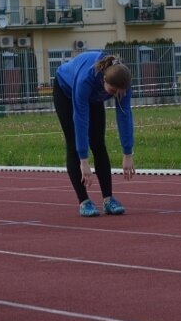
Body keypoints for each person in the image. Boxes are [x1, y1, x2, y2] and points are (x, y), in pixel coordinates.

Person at [53, 51, 135, 217]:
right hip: (66, 91)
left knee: (98, 142)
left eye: (119, 92)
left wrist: (128, 153)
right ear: (104, 79)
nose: (116, 95)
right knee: (73, 142)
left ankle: (108, 199)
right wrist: (84, 161)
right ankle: (84, 201)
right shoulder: (86, 80)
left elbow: (125, 114)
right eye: (112, 91)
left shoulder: (122, 83)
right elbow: (80, 119)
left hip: (94, 95)